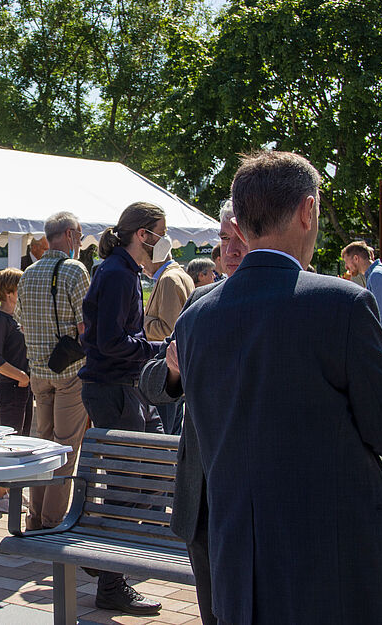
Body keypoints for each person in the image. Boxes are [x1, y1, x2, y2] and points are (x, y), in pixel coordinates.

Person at [174, 151, 382, 624]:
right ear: (307, 211)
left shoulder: (197, 321)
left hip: (238, 571)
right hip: (336, 568)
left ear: (241, 224)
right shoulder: (342, 305)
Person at [139, 198, 248, 625]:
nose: (231, 250)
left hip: (260, 499)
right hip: (202, 495)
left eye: (240, 239)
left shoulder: (303, 301)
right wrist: (170, 371)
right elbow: (153, 385)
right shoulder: (202, 301)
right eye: (224, 239)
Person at [79, 201, 166, 615]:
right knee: (130, 483)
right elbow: (112, 342)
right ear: (142, 234)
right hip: (114, 389)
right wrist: (161, 349)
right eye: (159, 232)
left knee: (161, 469)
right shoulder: (116, 273)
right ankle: (111, 579)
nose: (164, 241)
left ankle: (98, 546)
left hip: (125, 388)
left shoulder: (121, 272)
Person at [17, 211, 90, 532]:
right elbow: (86, 325)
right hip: (70, 371)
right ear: (71, 235)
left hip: (37, 371)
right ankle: (52, 520)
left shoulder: (28, 273)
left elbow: (21, 320)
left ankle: (34, 517)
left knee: (41, 445)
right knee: (64, 448)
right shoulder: (75, 270)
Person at [0, 267, 33, 512]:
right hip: (10, 387)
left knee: (22, 440)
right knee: (8, 442)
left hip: (25, 387)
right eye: (20, 287)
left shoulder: (18, 318)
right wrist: (20, 376)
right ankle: (0, 495)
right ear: (8, 291)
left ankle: (13, 491)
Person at [142, 238, 194, 435]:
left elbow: (169, 329)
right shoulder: (179, 275)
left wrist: (142, 320)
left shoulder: (168, 279)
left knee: (166, 433)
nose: (142, 263)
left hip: (169, 368)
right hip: (176, 369)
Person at [342, 240, 382, 357]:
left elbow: (380, 315)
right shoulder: (379, 272)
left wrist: (370, 341)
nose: (346, 267)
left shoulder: (377, 275)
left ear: (356, 258)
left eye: (347, 262)